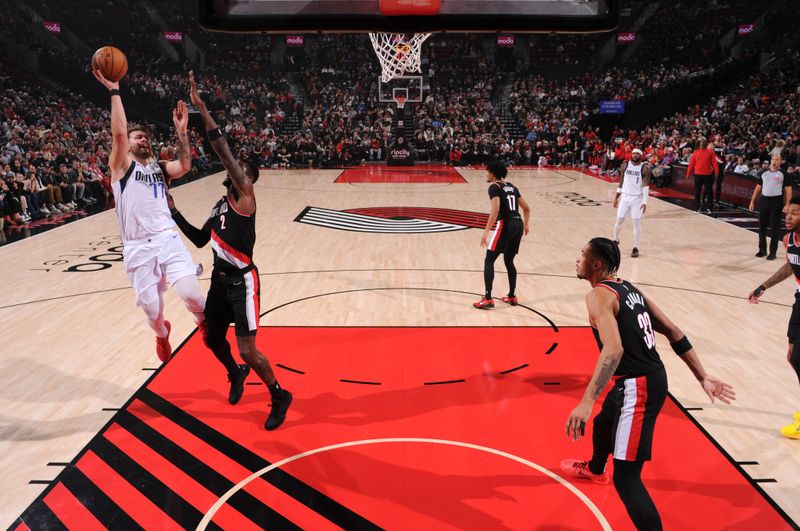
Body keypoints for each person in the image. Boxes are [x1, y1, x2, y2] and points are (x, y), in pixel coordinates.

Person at [562, 237, 735, 530]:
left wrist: (586, 400)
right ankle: (594, 468)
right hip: (650, 377)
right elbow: (672, 329)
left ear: (596, 265)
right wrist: (702, 375)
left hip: (637, 385)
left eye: (582, 255)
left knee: (626, 479)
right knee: (605, 422)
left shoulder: (597, 297)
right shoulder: (629, 288)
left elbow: (613, 350)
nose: (577, 259)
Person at [168, 71, 292, 430]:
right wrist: (174, 212)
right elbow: (198, 240)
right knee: (211, 338)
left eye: (245, 172)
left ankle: (278, 395)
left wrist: (201, 109)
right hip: (220, 283)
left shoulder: (246, 198)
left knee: (248, 349)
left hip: (243, 282)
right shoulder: (220, 205)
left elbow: (222, 150)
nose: (241, 174)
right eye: (241, 172)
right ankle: (235, 374)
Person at [93, 69, 206, 362]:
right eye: (137, 137)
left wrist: (181, 131)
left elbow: (184, 165)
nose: (144, 140)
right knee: (153, 312)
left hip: (166, 239)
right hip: (137, 247)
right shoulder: (121, 168)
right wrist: (114, 91)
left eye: (146, 137)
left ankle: (203, 323)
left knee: (194, 297)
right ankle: (161, 334)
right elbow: (118, 132)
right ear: (128, 146)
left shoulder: (159, 167)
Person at [747, 197, 800, 439]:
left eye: (795, 213)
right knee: (792, 356)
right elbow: (790, 267)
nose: (788, 217)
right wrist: (764, 286)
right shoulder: (788, 239)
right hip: (799, 300)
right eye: (788, 212)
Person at [474, 161, 530, 309]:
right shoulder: (512, 186)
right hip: (518, 224)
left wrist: (486, 231)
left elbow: (496, 209)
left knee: (489, 260)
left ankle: (487, 298)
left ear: (492, 174)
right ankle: (512, 296)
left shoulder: (494, 187)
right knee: (509, 261)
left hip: (505, 224)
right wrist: (527, 224)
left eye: (488, 172)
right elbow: (527, 208)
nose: (487, 174)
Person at [749, 154, 792, 260]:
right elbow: (758, 188)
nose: (775, 161)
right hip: (764, 200)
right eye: (773, 159)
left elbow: (788, 190)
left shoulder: (784, 174)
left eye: (777, 159)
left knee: (775, 227)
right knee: (762, 226)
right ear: (770, 160)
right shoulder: (764, 172)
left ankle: (772, 252)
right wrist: (752, 202)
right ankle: (762, 250)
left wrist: (787, 204)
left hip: (776, 202)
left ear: (780, 162)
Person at [612, 148, 650, 258]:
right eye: (633, 153)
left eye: (637, 153)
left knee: (636, 224)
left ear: (641, 155)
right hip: (625, 197)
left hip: (637, 199)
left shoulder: (645, 168)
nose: (635, 155)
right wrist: (616, 197)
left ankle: (635, 247)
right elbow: (621, 182)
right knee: (619, 220)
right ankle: (615, 240)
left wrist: (644, 202)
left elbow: (646, 186)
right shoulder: (625, 165)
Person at [686, 138, 719, 216]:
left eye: (703, 143)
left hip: (708, 175)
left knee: (709, 192)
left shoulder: (711, 152)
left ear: (706, 144)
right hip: (698, 174)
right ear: (699, 144)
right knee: (697, 192)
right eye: (701, 143)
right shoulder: (696, 152)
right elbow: (691, 164)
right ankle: (697, 208)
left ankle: (710, 209)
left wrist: (717, 173)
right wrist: (688, 173)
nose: (702, 144)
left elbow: (715, 163)